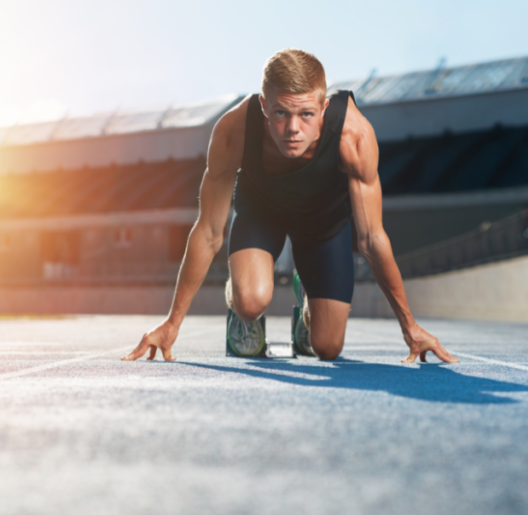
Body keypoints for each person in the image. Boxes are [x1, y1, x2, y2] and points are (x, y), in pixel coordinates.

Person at [122, 49, 458, 364]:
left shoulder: (353, 138)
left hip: (323, 220)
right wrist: (171, 323)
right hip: (261, 209)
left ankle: (307, 297)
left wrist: (409, 326)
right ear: (264, 105)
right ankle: (240, 306)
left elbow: (372, 238)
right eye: (281, 113)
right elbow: (209, 231)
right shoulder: (233, 132)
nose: (293, 129)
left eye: (306, 114)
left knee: (327, 347)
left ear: (324, 107)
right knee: (251, 302)